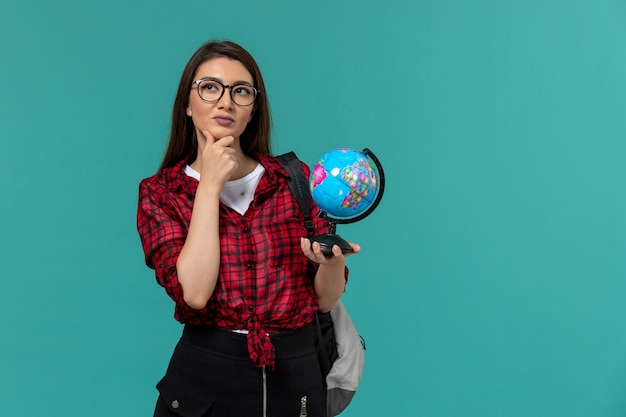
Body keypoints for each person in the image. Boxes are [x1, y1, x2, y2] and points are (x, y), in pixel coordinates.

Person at [136, 40, 360, 417]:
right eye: (210, 87)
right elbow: (195, 293)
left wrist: (333, 263)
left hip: (296, 377)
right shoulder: (161, 193)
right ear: (187, 105)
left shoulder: (295, 179)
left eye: (241, 91)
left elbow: (323, 301)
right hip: (204, 384)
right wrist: (209, 186)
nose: (225, 101)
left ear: (253, 109)